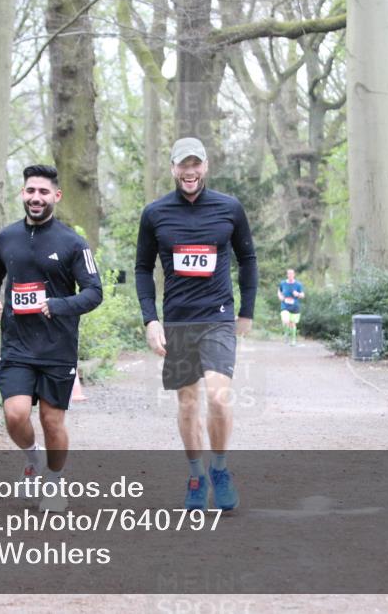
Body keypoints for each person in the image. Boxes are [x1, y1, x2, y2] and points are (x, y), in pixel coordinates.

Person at [135, 137, 258, 511]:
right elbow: (142, 268)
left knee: (219, 398)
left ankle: (219, 469)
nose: (189, 172)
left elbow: (247, 258)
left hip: (218, 317)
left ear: (205, 166)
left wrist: (246, 312)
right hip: (178, 320)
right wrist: (151, 320)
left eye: (196, 164)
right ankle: (195, 474)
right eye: (182, 165)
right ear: (172, 168)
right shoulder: (155, 213)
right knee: (188, 405)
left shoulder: (229, 208)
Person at [0, 164, 103, 513]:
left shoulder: (72, 243)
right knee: (15, 415)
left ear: (56, 196)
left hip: (57, 349)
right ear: (23, 194)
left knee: (52, 421)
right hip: (17, 346)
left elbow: (94, 292)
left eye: (43, 192)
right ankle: (32, 459)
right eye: (30, 191)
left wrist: (60, 305)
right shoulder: (5, 238)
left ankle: (55, 479)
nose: (36, 198)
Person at [277, 268, 305, 346]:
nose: (290, 275)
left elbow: (303, 295)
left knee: (292, 324)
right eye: (288, 274)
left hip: (295, 306)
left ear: (294, 275)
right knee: (285, 321)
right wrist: (280, 296)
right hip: (285, 305)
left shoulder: (298, 284)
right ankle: (286, 333)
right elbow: (279, 291)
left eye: (291, 274)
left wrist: (298, 294)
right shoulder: (283, 283)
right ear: (287, 275)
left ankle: (293, 340)